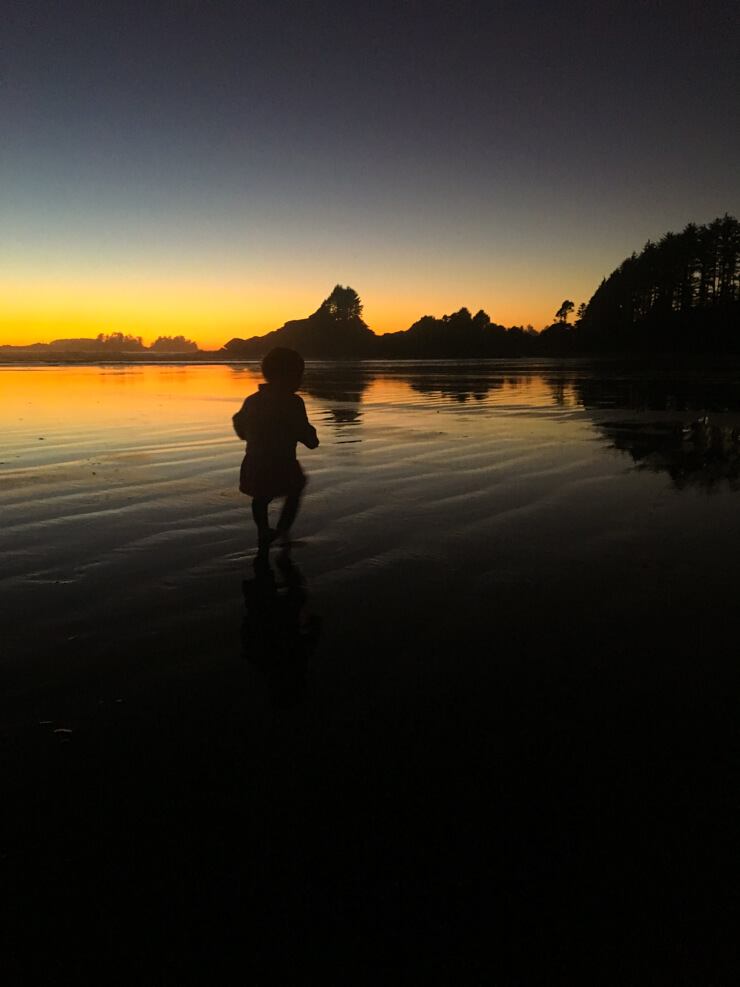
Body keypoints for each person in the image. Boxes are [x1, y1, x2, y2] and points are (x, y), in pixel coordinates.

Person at [233, 347, 319, 552]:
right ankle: (283, 529)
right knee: (295, 489)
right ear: (284, 376)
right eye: (298, 376)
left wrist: (247, 436)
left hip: (255, 459)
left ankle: (263, 530)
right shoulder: (293, 402)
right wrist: (311, 439)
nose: (301, 381)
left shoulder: (253, 400)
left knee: (260, 498)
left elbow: (238, 421)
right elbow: (302, 428)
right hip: (282, 461)